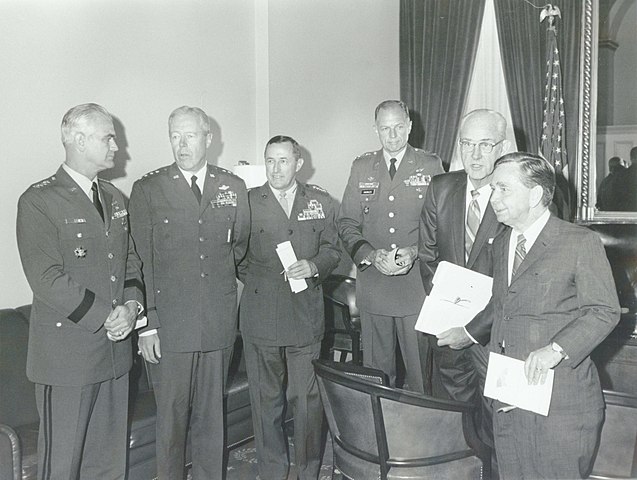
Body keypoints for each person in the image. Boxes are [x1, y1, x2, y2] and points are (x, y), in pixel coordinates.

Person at [16, 103, 144, 479]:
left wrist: (133, 308)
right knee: (63, 465)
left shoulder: (115, 198)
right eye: (108, 137)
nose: (116, 146)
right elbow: (45, 277)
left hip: (116, 355)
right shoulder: (39, 200)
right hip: (67, 359)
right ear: (77, 139)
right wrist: (107, 314)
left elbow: (130, 263)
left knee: (108, 464)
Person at [475, 152, 620, 479]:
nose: (492, 197)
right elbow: (505, 311)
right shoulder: (501, 243)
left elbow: (604, 311)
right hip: (508, 399)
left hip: (560, 405)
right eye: (492, 189)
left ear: (536, 194)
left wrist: (556, 350)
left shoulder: (579, 242)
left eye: (503, 189)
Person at [128, 106, 250, 479]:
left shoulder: (232, 186)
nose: (182, 144)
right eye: (175, 136)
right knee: (171, 424)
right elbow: (138, 259)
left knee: (212, 419)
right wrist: (147, 325)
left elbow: (239, 247)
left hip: (216, 322)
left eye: (190, 136)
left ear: (209, 139)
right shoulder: (148, 188)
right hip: (169, 328)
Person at [238, 135, 341, 480]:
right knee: (266, 401)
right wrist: (262, 281)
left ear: (299, 164)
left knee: (306, 399)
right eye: (270, 160)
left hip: (305, 315)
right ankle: (272, 470)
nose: (276, 168)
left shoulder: (321, 201)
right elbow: (236, 256)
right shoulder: (248, 202)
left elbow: (333, 249)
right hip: (261, 314)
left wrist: (313, 266)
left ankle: (308, 470)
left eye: (284, 161)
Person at [337, 100, 444, 392]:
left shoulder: (430, 164)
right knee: (378, 377)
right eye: (385, 129)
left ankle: (422, 436)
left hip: (416, 287)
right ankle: (381, 435)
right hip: (375, 286)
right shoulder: (362, 166)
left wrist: (414, 251)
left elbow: (440, 224)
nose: (393, 135)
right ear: (376, 130)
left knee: (422, 376)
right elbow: (346, 222)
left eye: (399, 127)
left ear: (410, 127)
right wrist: (370, 255)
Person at [418, 109, 509, 445]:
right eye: (467, 144)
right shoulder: (441, 187)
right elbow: (427, 255)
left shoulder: (517, 195)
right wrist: (450, 311)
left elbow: (521, 277)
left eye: (485, 145)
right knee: (453, 428)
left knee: (498, 425)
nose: (474, 154)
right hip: (448, 332)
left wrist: (474, 328)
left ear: (502, 147)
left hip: (496, 336)